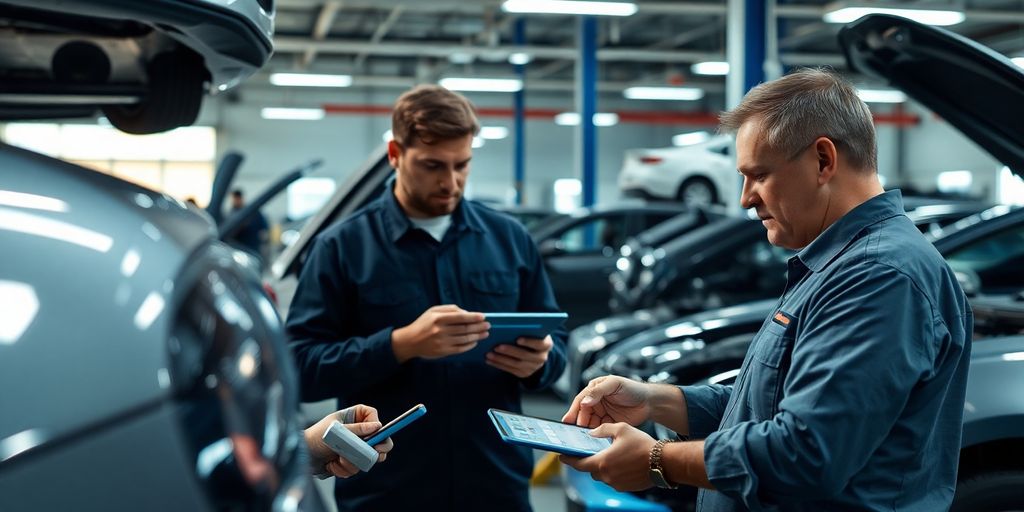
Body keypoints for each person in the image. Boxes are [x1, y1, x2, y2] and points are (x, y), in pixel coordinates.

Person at [561, 68, 972, 511]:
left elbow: (806, 452)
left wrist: (658, 459)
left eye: (758, 175)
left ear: (822, 160)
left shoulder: (878, 277)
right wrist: (655, 400)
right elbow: (767, 407)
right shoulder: (837, 263)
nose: (745, 198)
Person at [285, 84, 567, 511]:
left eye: (462, 165)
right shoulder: (341, 248)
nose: (450, 182)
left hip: (495, 483)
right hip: (387, 490)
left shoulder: (510, 240)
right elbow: (300, 368)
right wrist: (399, 344)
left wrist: (541, 363)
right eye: (433, 165)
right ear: (396, 154)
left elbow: (556, 344)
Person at [228, 188, 269, 257]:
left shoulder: (252, 212)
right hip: (238, 248)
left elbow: (264, 228)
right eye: (234, 199)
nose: (235, 201)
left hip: (253, 247)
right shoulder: (231, 215)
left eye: (237, 199)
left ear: (241, 198)